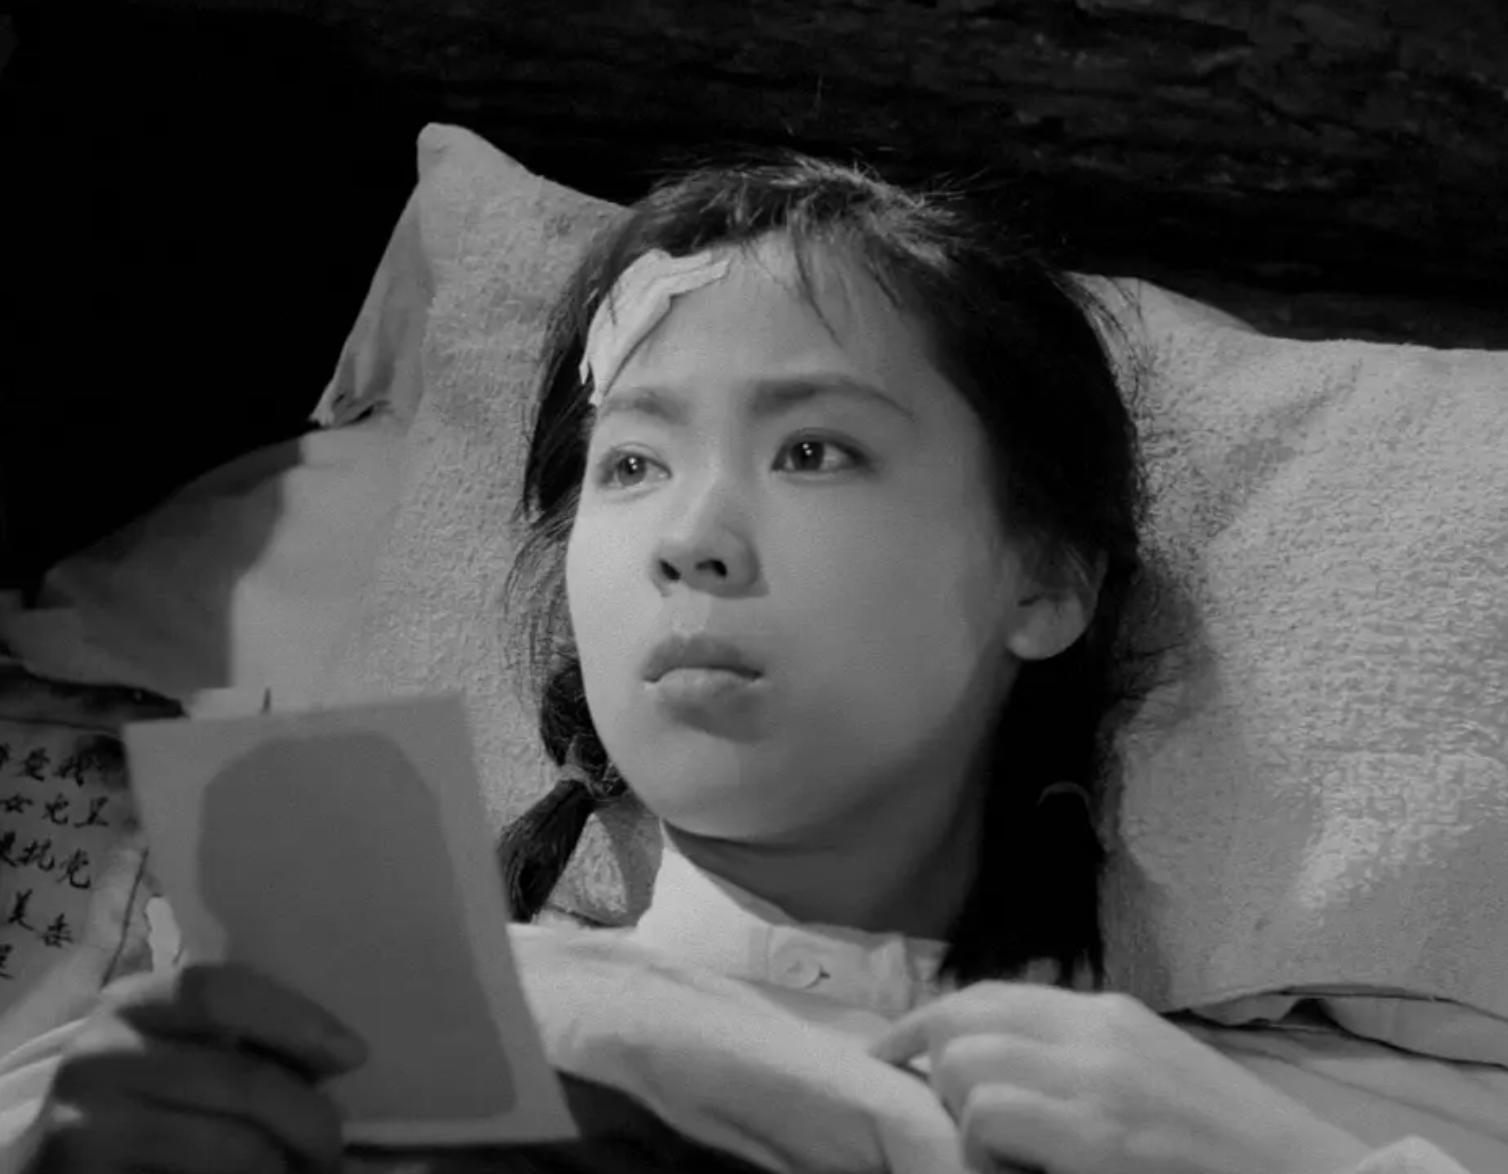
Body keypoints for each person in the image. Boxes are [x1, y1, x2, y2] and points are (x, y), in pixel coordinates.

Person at [11, 155, 1481, 1174]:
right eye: (633, 462)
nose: (691, 539)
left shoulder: (1233, 1113)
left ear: (1045, 579)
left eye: (815, 449)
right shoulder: (232, 1047)